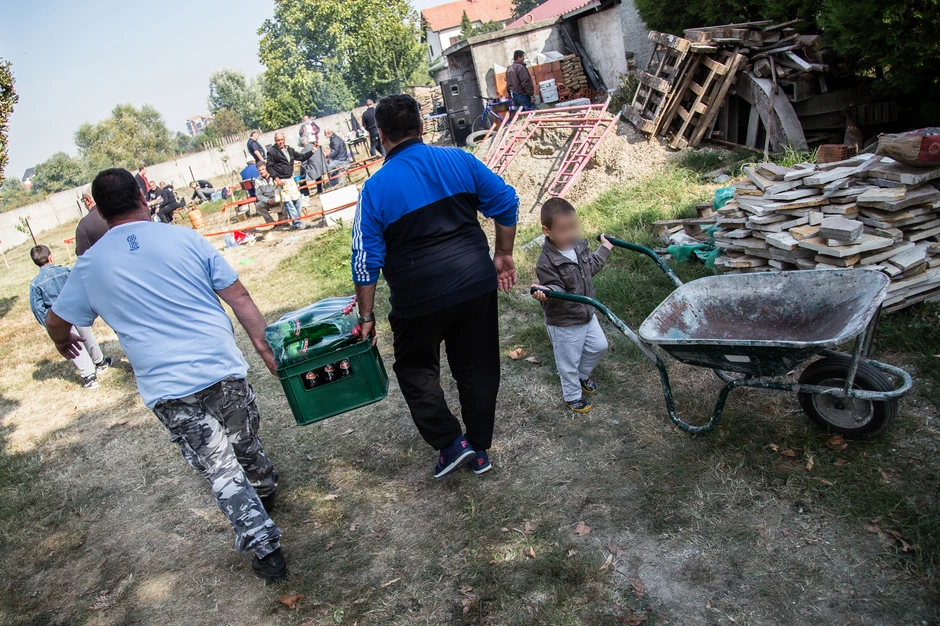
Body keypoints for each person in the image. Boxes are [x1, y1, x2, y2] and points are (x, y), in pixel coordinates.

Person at [44, 168, 287, 583]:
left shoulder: (89, 265)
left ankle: (266, 543)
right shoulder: (184, 237)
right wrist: (265, 348)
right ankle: (263, 487)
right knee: (241, 437)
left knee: (219, 465)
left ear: (98, 211)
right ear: (143, 194)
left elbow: (56, 319)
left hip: (167, 387)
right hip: (220, 366)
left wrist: (61, 342)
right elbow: (238, 295)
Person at [351, 94, 519, 479]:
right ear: (421, 126)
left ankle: (451, 443)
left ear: (380, 134)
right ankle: (478, 447)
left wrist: (366, 316)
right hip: (475, 283)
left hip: (417, 299)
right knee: (477, 366)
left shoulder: (374, 190)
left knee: (415, 370)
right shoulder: (459, 159)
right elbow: (506, 201)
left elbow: (365, 261)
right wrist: (503, 253)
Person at [531, 199, 613, 413]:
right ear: (546, 231)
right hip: (564, 321)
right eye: (564, 230)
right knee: (568, 361)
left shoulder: (579, 246)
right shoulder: (546, 262)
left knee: (599, 346)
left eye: (573, 226)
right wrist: (545, 293)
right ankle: (572, 395)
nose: (571, 234)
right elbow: (556, 289)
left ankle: (582, 375)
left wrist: (605, 249)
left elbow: (591, 266)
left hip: (586, 312)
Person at [28, 244, 111, 389]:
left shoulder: (35, 284)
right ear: (50, 257)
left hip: (58, 317)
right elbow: (80, 286)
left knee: (73, 344)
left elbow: (37, 308)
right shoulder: (65, 270)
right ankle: (100, 362)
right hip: (76, 309)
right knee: (87, 335)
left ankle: (89, 376)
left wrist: (48, 323)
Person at [266, 132, 315, 230]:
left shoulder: (289, 150)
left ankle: (296, 221)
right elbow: (269, 167)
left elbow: (301, 157)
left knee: (298, 200)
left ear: (284, 140)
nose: (280, 142)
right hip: (281, 180)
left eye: (282, 140)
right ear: (275, 141)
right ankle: (297, 223)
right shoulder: (272, 152)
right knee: (288, 202)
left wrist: (312, 152)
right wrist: (277, 179)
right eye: (278, 140)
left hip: (290, 179)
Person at [75, 183, 109, 256]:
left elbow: (83, 258)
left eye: (83, 200)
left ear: (88, 200)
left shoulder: (83, 226)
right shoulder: (118, 212)